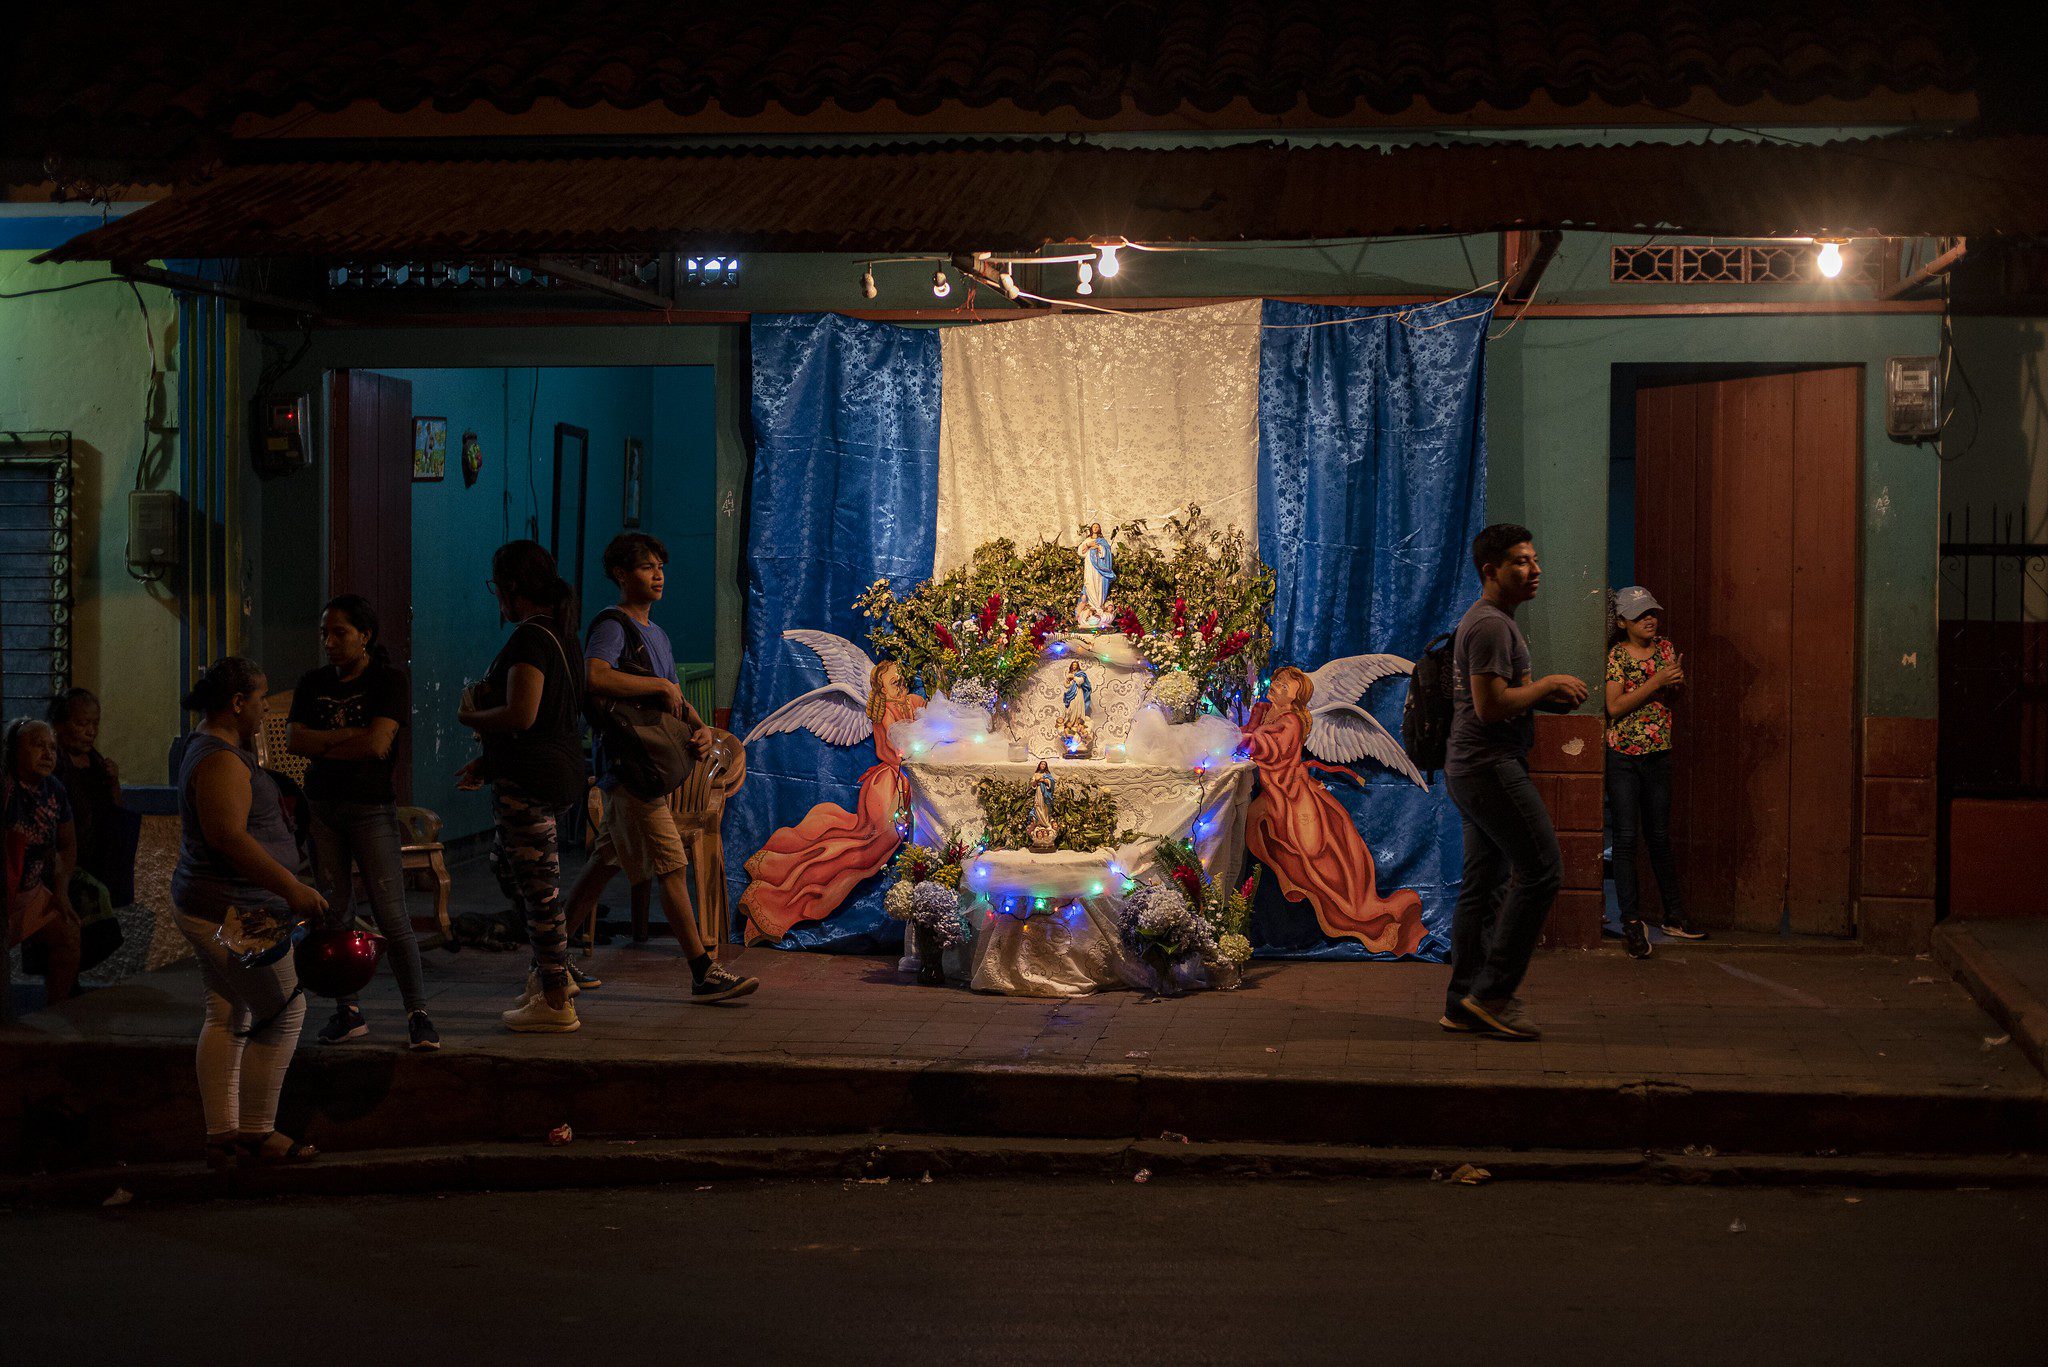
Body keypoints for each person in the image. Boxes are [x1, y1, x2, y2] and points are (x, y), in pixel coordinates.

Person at [560, 532, 757, 1003]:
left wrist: (701, 726)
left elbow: (673, 691)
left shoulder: (657, 634)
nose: (658, 575)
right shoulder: (613, 625)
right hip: (629, 769)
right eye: (647, 567)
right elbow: (595, 675)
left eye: (660, 567)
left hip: (644, 768)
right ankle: (701, 972)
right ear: (621, 575)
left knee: (604, 861)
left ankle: (549, 956)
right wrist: (654, 690)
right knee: (671, 864)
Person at [170, 657, 328, 1169]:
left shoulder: (214, 748)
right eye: (260, 699)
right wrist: (292, 887)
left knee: (227, 1011)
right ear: (237, 703)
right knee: (284, 1010)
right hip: (236, 912)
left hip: (217, 905)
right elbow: (227, 837)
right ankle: (259, 1133)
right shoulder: (218, 759)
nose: (265, 709)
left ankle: (224, 1136)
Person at [1441, 524, 1587, 1042]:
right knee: (1543, 870)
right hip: (1488, 768)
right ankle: (1493, 994)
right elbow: (1489, 706)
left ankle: (1463, 1003)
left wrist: (1545, 697)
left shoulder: (1495, 623)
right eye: (1522, 561)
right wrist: (1545, 685)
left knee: (1485, 884)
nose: (1535, 569)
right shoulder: (1490, 626)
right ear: (1491, 571)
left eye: (1534, 559)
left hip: (1476, 766)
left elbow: (1501, 697)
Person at [288, 595, 440, 1049]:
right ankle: (347, 1011)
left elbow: (377, 747)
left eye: (339, 632)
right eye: (324, 633)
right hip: (322, 808)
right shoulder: (312, 682)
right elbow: (296, 740)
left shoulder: (387, 681)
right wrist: (351, 736)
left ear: (365, 635)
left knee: (392, 914)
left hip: (370, 807)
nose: (329, 642)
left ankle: (418, 1014)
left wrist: (327, 742)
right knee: (335, 912)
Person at [456, 541, 589, 1033]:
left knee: (538, 890)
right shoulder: (560, 635)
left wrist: (469, 715)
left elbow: (522, 714)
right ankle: (548, 971)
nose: (497, 600)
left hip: (533, 780)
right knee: (507, 864)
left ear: (511, 589)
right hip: (549, 771)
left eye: (497, 589)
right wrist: (488, 763)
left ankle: (555, 999)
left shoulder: (533, 638)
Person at [1604, 585, 1701, 958]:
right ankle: (1631, 922)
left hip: (1659, 752)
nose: (1650, 619)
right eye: (1641, 614)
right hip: (1625, 756)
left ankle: (1674, 914)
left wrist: (1676, 682)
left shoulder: (1664, 648)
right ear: (1624, 621)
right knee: (1626, 839)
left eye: (1653, 613)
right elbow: (1614, 707)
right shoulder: (1618, 655)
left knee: (1659, 836)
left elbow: (1673, 695)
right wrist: (1656, 682)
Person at [4, 719, 82, 1006]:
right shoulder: (6, 789)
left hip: (30, 892)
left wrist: (60, 891)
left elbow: (68, 845)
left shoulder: (54, 790)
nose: (48, 754)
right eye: (38, 746)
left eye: (52, 747)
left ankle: (56, 1011)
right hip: (5, 896)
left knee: (68, 935)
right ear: (15, 751)